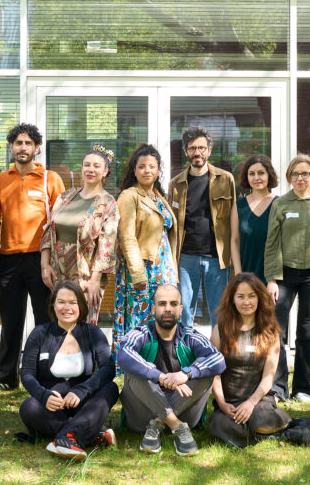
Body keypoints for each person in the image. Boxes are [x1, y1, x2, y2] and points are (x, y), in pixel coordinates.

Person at [0, 123, 65, 393]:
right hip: (7, 259)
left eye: (28, 143)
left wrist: (53, 258)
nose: (23, 148)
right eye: (18, 143)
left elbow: (59, 221)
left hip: (40, 259)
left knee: (45, 318)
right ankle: (7, 376)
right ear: (11, 147)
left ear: (37, 147)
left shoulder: (50, 179)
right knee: (10, 320)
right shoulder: (0, 180)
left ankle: (46, 375)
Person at [208, 273, 310, 448]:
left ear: (260, 298)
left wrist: (251, 403)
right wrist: (222, 404)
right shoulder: (220, 330)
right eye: (241, 297)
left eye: (251, 296)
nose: (246, 302)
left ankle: (276, 430)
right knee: (219, 425)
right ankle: (290, 430)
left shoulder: (270, 332)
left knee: (260, 417)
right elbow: (214, 374)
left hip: (258, 400)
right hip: (229, 403)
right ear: (232, 300)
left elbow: (268, 378)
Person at [119, 284, 225, 456]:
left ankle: (159, 423)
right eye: (162, 304)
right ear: (153, 308)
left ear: (181, 309)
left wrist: (186, 374)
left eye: (173, 304)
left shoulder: (190, 335)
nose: (168, 309)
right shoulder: (141, 333)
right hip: (142, 414)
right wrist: (159, 376)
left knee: (206, 372)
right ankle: (175, 425)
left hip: (184, 409)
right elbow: (123, 354)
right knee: (134, 371)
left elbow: (218, 359)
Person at [18, 281, 119, 461]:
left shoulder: (93, 333)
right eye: (61, 302)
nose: (67, 308)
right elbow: (26, 373)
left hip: (84, 404)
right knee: (29, 407)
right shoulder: (40, 333)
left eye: (72, 302)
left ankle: (67, 437)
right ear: (53, 305)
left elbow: (108, 368)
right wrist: (43, 396)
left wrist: (82, 390)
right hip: (52, 408)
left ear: (81, 305)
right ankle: (89, 433)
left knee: (110, 388)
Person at [264, 154, 310, 403]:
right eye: (296, 174)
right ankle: (278, 387)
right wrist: (272, 278)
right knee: (277, 331)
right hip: (285, 274)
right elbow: (271, 242)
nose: (301, 178)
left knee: (306, 330)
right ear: (289, 178)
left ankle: (303, 387)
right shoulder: (280, 203)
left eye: (305, 173)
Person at [168, 126, 240, 327]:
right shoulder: (176, 184)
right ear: (185, 152)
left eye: (201, 147)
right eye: (192, 148)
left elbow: (233, 221)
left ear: (209, 150)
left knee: (220, 311)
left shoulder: (226, 179)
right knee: (184, 312)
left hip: (216, 256)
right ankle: (185, 354)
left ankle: (220, 354)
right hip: (185, 256)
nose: (197, 152)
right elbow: (172, 224)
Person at [40, 146, 120, 325]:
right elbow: (49, 230)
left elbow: (107, 245)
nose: (91, 169)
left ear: (105, 171)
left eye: (97, 166)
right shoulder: (66, 196)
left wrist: (95, 280)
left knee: (82, 321)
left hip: (86, 274)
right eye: (87, 165)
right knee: (60, 319)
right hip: (58, 271)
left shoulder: (108, 203)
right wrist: (44, 264)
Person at [112, 144, 178, 347]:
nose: (147, 170)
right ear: (134, 170)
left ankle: (160, 365)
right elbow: (127, 237)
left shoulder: (158, 196)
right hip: (142, 270)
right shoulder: (129, 196)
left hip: (162, 269)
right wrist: (138, 274)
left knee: (162, 318)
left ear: (158, 170)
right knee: (140, 320)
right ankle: (136, 368)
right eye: (141, 166)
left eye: (151, 166)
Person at [236, 154, 278, 284]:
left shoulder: (279, 204)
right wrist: (239, 275)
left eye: (261, 173)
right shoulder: (239, 205)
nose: (256, 178)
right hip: (246, 275)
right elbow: (234, 240)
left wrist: (274, 280)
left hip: (272, 279)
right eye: (251, 173)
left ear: (269, 175)